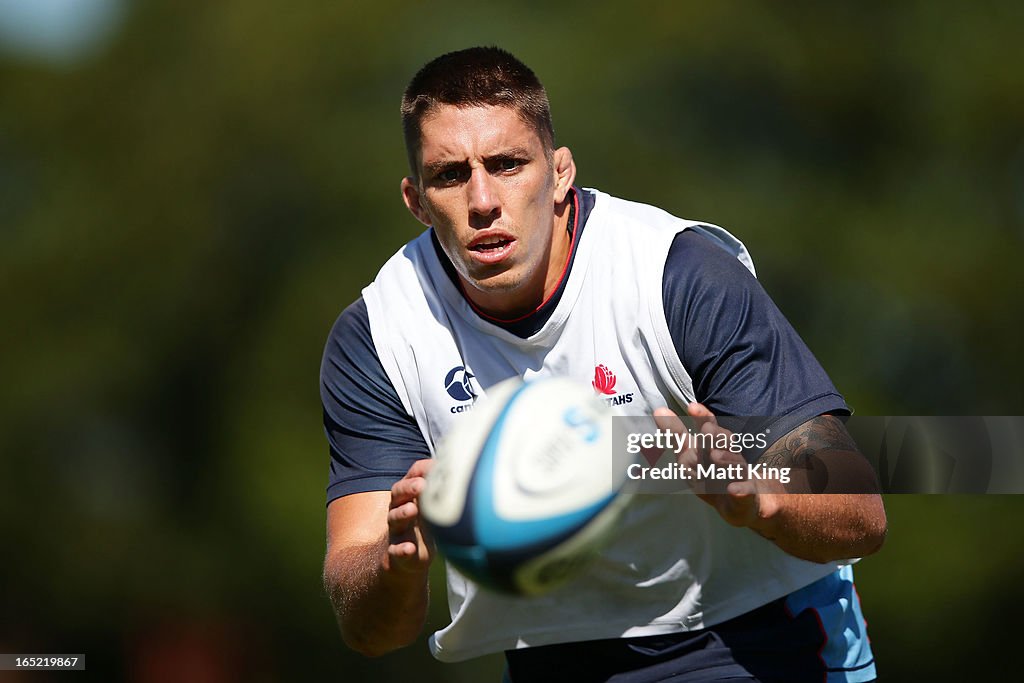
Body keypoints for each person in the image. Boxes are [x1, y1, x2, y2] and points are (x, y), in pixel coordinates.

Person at [320, 46, 887, 682]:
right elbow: (368, 629)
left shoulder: (677, 276)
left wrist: (756, 495)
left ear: (559, 173)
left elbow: (860, 511)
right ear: (416, 200)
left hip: (760, 640)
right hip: (554, 658)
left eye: (507, 165)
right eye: (450, 175)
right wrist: (398, 564)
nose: (482, 200)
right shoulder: (381, 334)